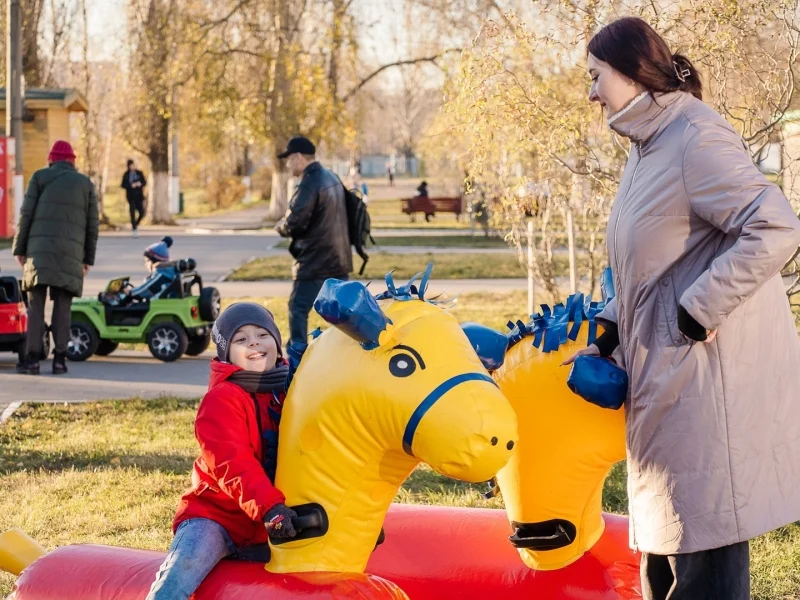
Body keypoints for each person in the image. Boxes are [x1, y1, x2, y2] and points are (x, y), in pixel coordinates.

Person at [563, 17, 800, 600]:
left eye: (595, 76)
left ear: (629, 70)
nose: (591, 92)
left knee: (705, 562)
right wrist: (614, 321)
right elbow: (654, 264)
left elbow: (774, 228)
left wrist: (697, 311)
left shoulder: (695, 137)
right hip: (662, 384)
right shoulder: (647, 147)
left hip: (701, 388)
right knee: (663, 565)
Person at [146, 303, 298, 600]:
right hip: (216, 517)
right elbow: (232, 463)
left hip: (267, 521)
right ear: (227, 354)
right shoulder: (222, 399)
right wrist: (269, 508)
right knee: (176, 582)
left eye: (262, 334)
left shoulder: (289, 390)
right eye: (241, 340)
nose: (253, 342)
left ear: (277, 344)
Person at [12, 140, 99, 376]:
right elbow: (93, 226)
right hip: (70, 256)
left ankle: (32, 361)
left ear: (51, 159)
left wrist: (19, 249)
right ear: (72, 161)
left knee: (35, 308)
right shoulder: (85, 184)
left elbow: (25, 215)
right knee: (63, 308)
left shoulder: (39, 177)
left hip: (37, 253)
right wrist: (87, 259)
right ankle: (60, 360)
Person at [274, 136, 351, 350]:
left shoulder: (310, 183)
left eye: (289, 159)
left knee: (297, 308)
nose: (287, 164)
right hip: (338, 259)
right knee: (341, 312)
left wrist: (280, 226)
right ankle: (346, 352)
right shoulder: (331, 177)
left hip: (315, 262)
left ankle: (297, 357)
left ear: (298, 157)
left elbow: (295, 222)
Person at [121, 159, 147, 238]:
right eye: (130, 165)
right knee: (132, 213)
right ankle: (134, 229)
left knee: (141, 212)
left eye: (133, 165)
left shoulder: (139, 173)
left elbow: (144, 182)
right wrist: (130, 185)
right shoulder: (126, 174)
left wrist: (140, 184)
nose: (132, 167)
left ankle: (135, 224)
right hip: (131, 196)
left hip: (139, 196)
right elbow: (123, 185)